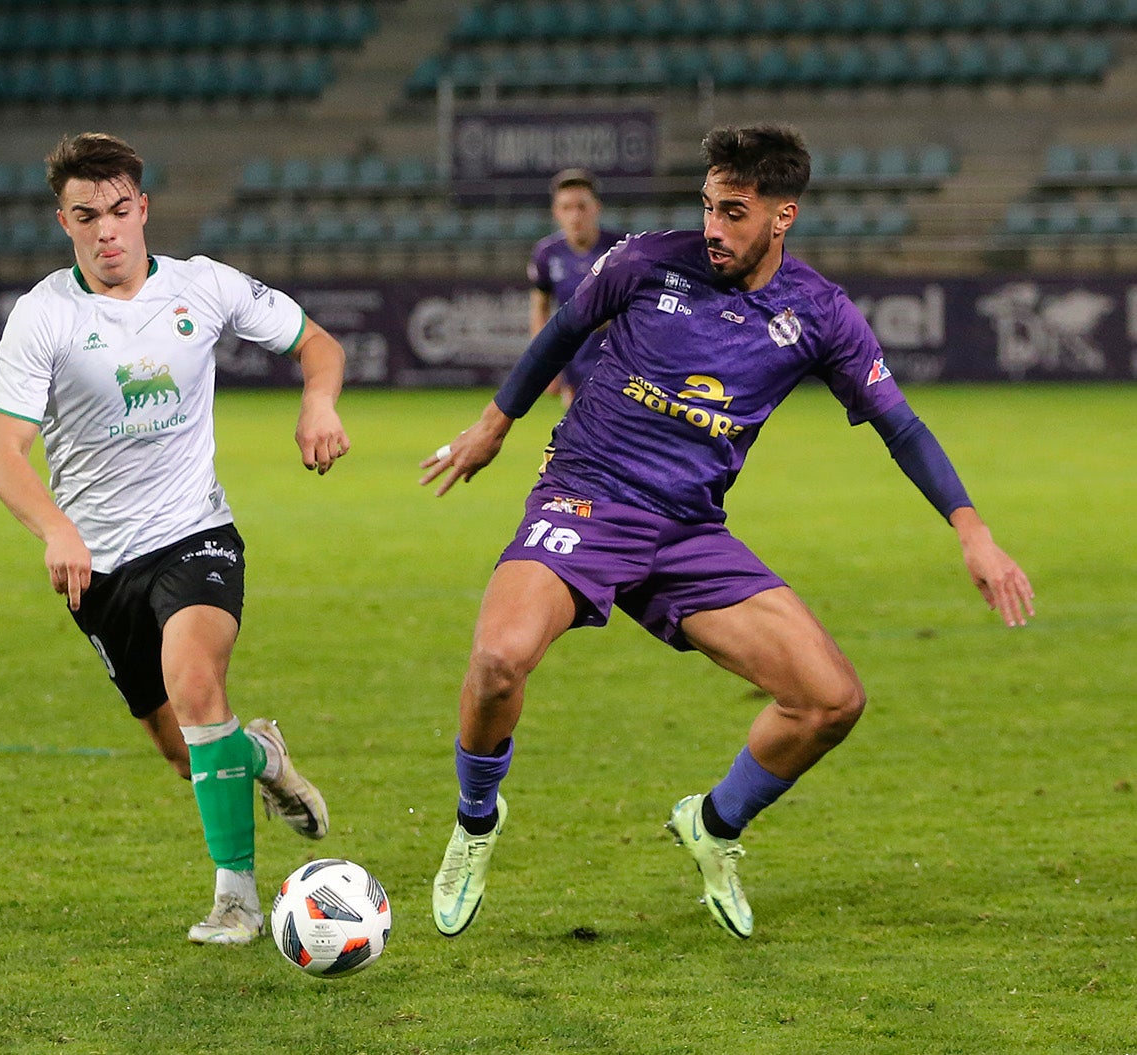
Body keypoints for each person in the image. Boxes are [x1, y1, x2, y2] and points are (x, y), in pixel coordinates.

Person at [419, 125, 1034, 941]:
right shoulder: (645, 261)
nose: (713, 226)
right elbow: (562, 331)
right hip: (587, 500)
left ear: (783, 216)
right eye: (709, 206)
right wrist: (495, 423)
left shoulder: (818, 313)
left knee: (830, 700)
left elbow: (903, 427)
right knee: (497, 661)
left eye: (734, 211)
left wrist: (973, 530)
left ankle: (715, 823)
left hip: (687, 533)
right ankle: (474, 823)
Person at [0, 132, 351, 946]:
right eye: (87, 217)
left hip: (196, 534)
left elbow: (318, 344)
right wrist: (56, 527)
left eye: (119, 211)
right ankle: (260, 758)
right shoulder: (43, 316)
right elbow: (1, 453)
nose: (106, 231)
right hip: (98, 566)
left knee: (194, 684)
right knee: (190, 753)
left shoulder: (205, 286)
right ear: (64, 222)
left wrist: (317, 403)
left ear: (143, 208)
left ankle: (238, 900)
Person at [527, 169, 626, 409]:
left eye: (582, 206)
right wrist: (543, 365)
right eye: (567, 208)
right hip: (575, 363)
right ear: (556, 213)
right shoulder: (547, 254)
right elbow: (540, 308)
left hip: (620, 363)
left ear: (596, 208)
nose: (575, 215)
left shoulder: (622, 249)